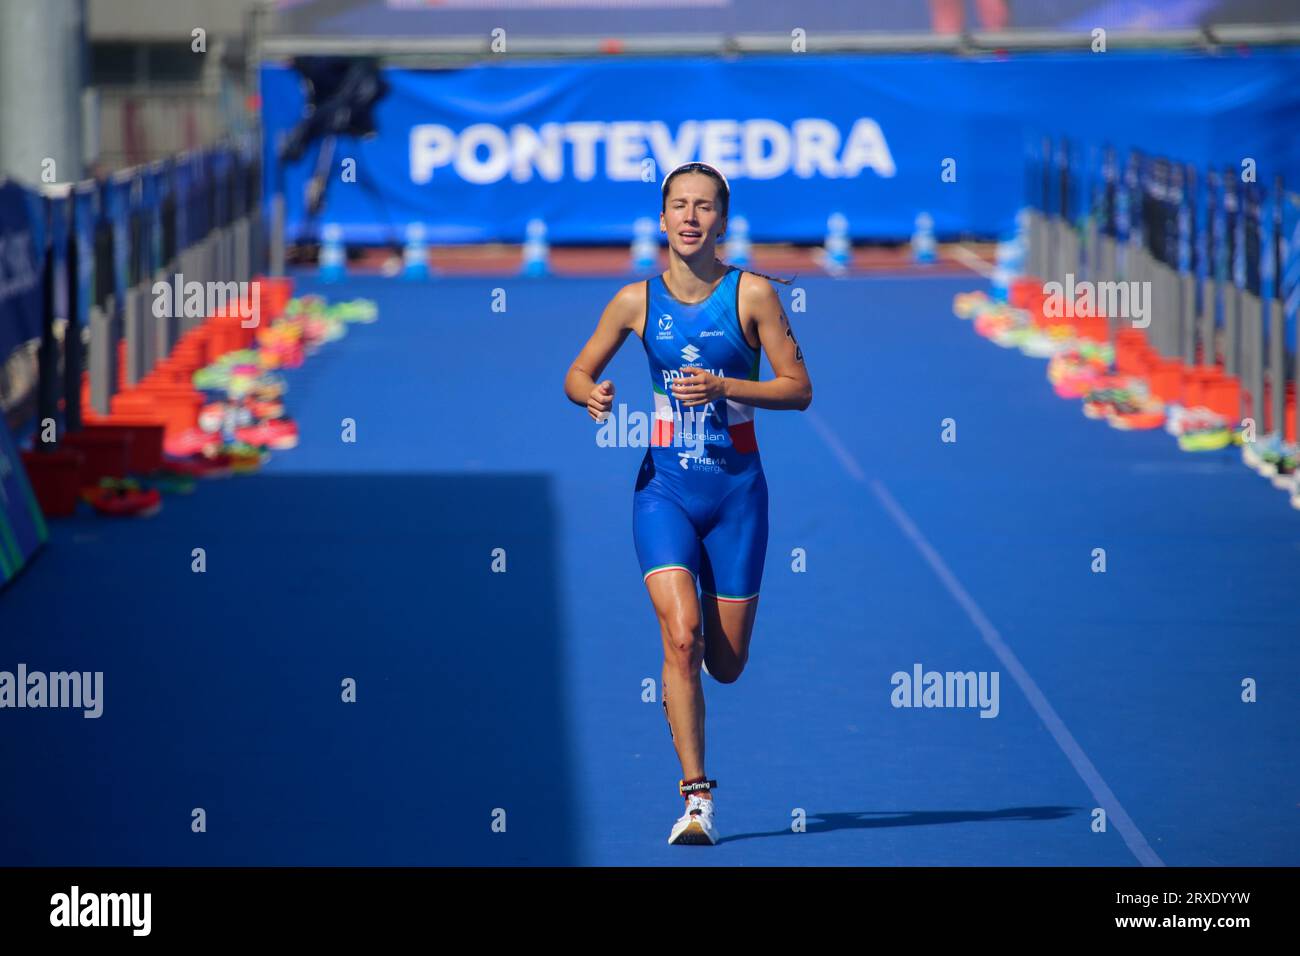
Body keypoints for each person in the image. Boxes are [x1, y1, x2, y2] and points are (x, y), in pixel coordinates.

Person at [564, 161, 813, 845]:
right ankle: (697, 798)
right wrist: (590, 392)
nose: (691, 216)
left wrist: (730, 387)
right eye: (679, 204)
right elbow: (577, 370)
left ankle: (702, 645)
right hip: (665, 491)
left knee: (725, 665)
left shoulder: (753, 295)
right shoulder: (633, 302)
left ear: (722, 222)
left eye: (705, 206)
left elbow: (798, 389)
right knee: (680, 635)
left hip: (737, 495)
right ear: (663, 217)